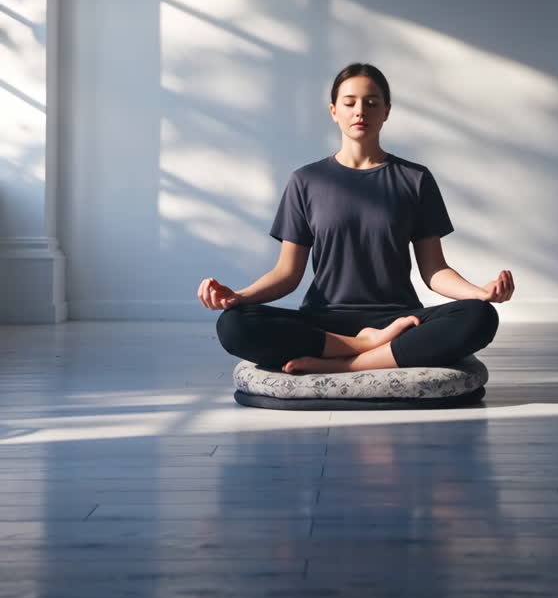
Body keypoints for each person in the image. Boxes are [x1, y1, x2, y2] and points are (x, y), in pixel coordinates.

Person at [198, 63, 514, 374]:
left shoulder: (415, 179)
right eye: (350, 103)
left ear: (387, 111)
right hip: (324, 322)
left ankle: (345, 365)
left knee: (480, 316)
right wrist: (239, 296)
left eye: (371, 103)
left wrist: (479, 293)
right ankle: (363, 346)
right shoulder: (306, 181)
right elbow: (287, 273)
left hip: (400, 321)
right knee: (234, 324)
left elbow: (434, 270)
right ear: (334, 111)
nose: (360, 111)